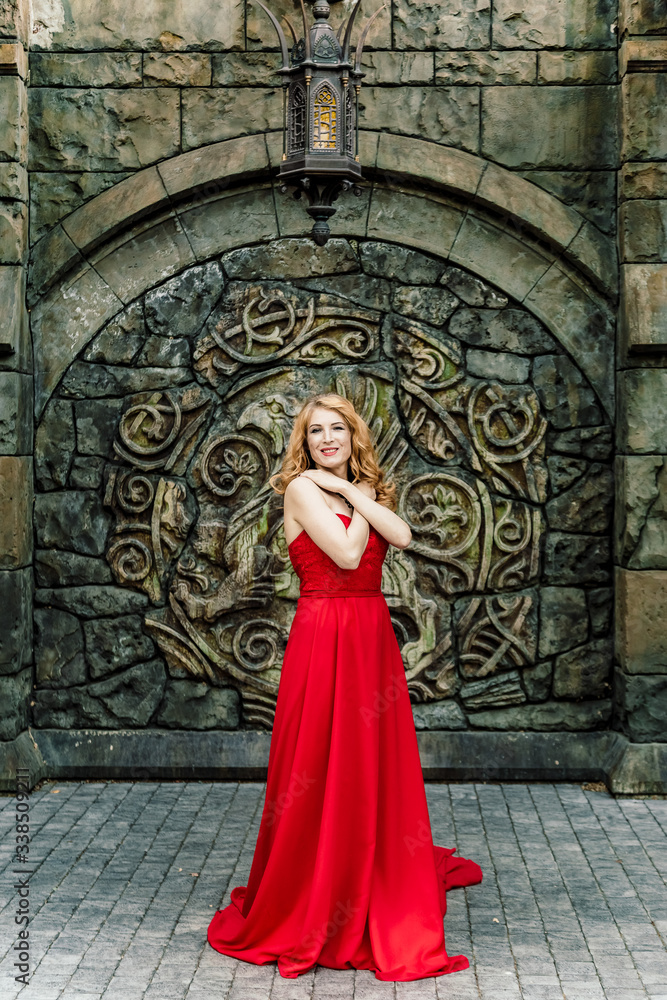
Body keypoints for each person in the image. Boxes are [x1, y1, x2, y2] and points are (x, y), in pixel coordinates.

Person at [207, 393, 482, 981]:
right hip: (324, 631)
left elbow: (403, 537)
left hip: (369, 634)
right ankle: (318, 886)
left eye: (337, 429)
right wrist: (360, 497)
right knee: (318, 755)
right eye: (315, 432)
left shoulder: (359, 489)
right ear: (303, 444)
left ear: (354, 437)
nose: (326, 439)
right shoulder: (301, 489)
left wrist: (359, 492)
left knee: (367, 760)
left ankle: (368, 868)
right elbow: (351, 552)